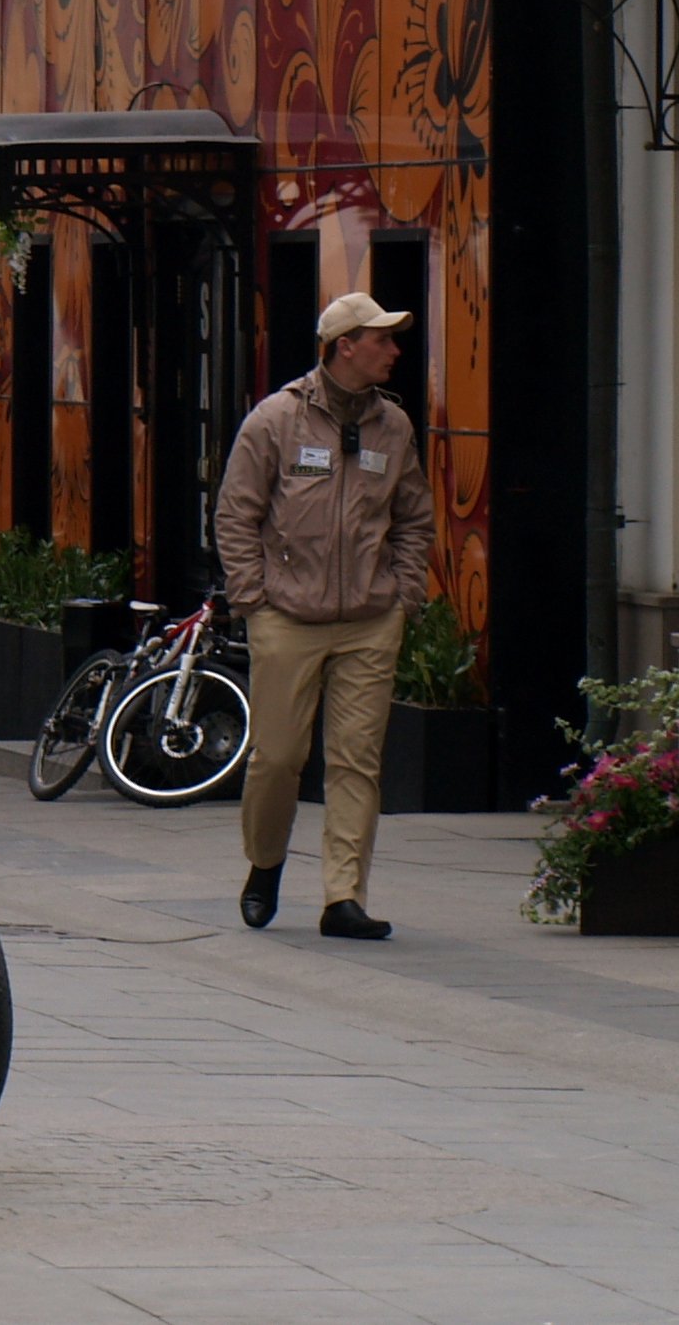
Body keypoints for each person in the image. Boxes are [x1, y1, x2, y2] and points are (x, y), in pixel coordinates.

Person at [216, 290, 436, 942]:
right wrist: (253, 597)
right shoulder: (275, 420)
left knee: (356, 761)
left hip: (369, 619)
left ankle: (344, 895)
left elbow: (414, 517)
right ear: (346, 345)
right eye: (383, 339)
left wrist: (404, 594)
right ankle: (265, 862)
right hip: (287, 615)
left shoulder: (393, 427)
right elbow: (237, 514)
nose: (395, 350)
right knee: (278, 758)